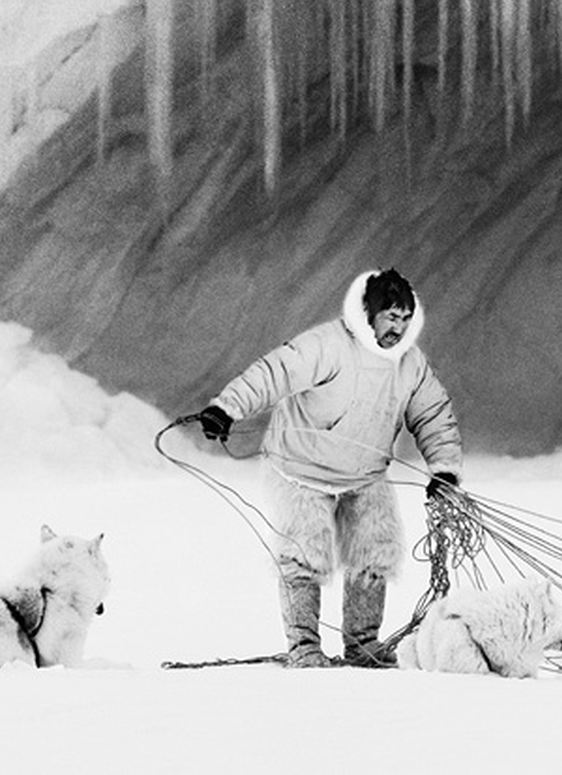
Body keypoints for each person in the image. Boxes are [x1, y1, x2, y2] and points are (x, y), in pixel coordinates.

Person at [190, 268, 463, 668]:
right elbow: (274, 373)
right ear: (369, 314)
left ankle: (363, 644)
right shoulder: (326, 346)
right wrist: (225, 409)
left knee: (375, 552)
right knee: (304, 556)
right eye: (390, 317)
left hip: (366, 475)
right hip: (299, 470)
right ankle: (304, 647)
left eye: (405, 319)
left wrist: (444, 468)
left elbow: (433, 414)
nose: (398, 328)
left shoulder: (410, 364)